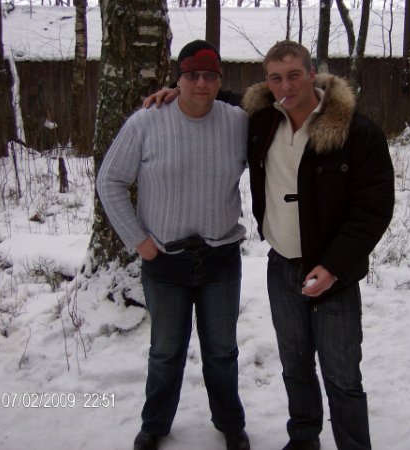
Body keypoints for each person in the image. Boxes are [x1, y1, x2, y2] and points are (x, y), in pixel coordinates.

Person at [146, 40, 395, 450]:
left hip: (334, 273)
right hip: (281, 268)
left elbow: (374, 208)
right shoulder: (263, 119)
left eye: (294, 75)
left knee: (342, 376)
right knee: (295, 367)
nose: (286, 86)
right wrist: (179, 91)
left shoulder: (355, 131)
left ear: (312, 74)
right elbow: (216, 95)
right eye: (275, 78)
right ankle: (303, 439)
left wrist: (334, 266)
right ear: (266, 82)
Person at [97, 40, 251, 450]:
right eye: (191, 76)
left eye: (210, 76)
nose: (201, 84)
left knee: (222, 351)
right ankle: (154, 425)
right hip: (165, 261)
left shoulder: (238, 123)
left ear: (220, 80)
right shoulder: (146, 123)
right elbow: (109, 181)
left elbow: (280, 112)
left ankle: (230, 424)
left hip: (220, 259)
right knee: (166, 351)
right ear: (177, 78)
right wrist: (139, 241)